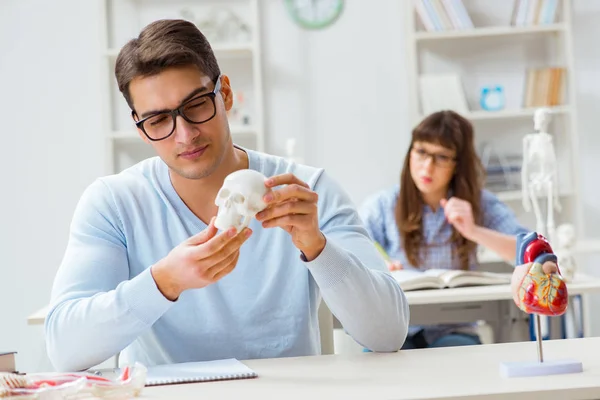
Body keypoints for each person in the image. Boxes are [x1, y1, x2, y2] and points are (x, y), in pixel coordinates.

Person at [44, 19, 410, 372]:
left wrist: (317, 247)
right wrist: (164, 282)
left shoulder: (306, 191)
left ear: (227, 95)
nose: (184, 135)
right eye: (158, 121)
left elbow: (388, 334)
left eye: (197, 105)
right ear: (141, 129)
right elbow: (65, 349)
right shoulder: (114, 203)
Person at [360, 110, 528, 349]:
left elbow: (529, 253)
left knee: (454, 355)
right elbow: (350, 247)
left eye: (441, 157)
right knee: (376, 357)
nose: (427, 167)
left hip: (454, 326)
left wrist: (473, 231)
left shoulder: (480, 203)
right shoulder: (384, 204)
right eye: (421, 152)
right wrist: (377, 263)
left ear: (458, 165)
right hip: (397, 324)